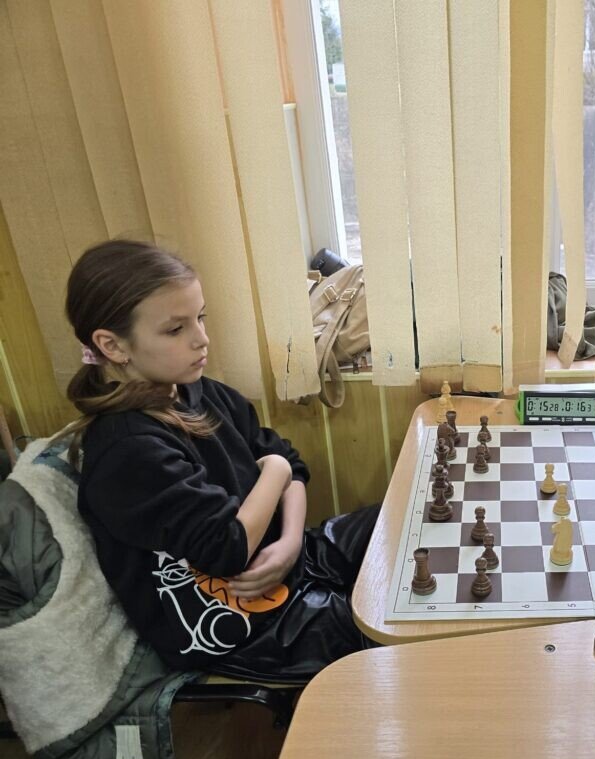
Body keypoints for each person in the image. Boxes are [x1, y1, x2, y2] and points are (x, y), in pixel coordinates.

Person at [59, 239, 379, 682]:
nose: (201, 339)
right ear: (112, 345)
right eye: (176, 329)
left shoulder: (199, 389)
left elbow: (291, 462)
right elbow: (229, 548)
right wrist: (276, 472)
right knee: (386, 634)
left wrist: (289, 543)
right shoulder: (126, 449)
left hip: (288, 557)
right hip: (244, 622)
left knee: (399, 525)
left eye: (201, 318)